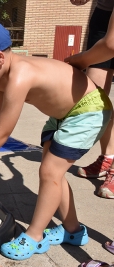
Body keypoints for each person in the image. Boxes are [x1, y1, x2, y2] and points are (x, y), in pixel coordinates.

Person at [0, 20, 112, 260]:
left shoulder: (20, 76)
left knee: (49, 172)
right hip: (64, 113)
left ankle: (35, 236)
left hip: (88, 110)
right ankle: (73, 230)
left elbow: (1, 132)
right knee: (53, 173)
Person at [67, 0, 114, 199]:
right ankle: (108, 158)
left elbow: (111, 45)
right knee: (97, 102)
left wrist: (78, 61)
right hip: (104, 13)